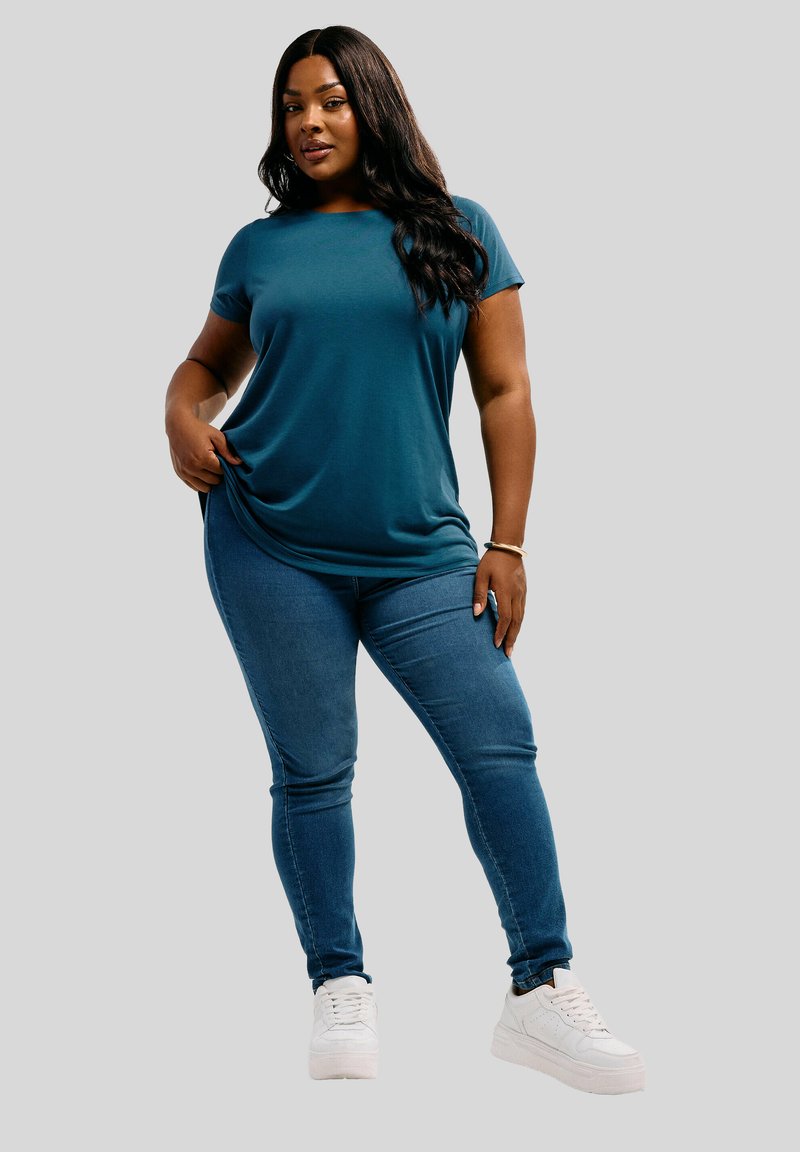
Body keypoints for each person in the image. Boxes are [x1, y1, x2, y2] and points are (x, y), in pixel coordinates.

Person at [164, 24, 645, 1094]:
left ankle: (540, 988)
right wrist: (177, 413)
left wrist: (507, 540)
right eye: (292, 105)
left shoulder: (460, 229)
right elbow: (204, 366)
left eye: (330, 100)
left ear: (372, 105)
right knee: (313, 770)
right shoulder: (259, 248)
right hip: (267, 540)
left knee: (497, 746)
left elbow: (504, 391)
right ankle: (339, 982)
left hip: (420, 552)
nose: (309, 121)